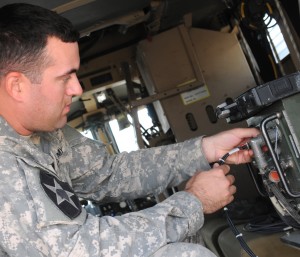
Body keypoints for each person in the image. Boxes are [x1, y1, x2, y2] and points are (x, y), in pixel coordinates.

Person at [0, 3, 259, 257]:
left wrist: (205, 150)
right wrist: (194, 202)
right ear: (17, 86)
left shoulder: (44, 131)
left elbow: (106, 174)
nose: (77, 89)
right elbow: (78, 249)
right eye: (64, 77)